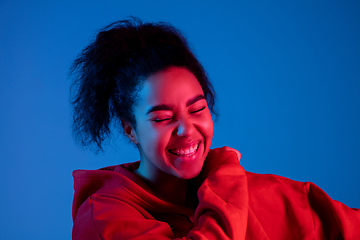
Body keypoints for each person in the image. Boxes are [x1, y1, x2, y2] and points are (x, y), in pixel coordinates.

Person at [70, 17, 360, 240]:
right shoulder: (103, 218)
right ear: (130, 130)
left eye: (197, 109)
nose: (187, 129)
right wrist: (226, 177)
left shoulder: (254, 192)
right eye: (162, 117)